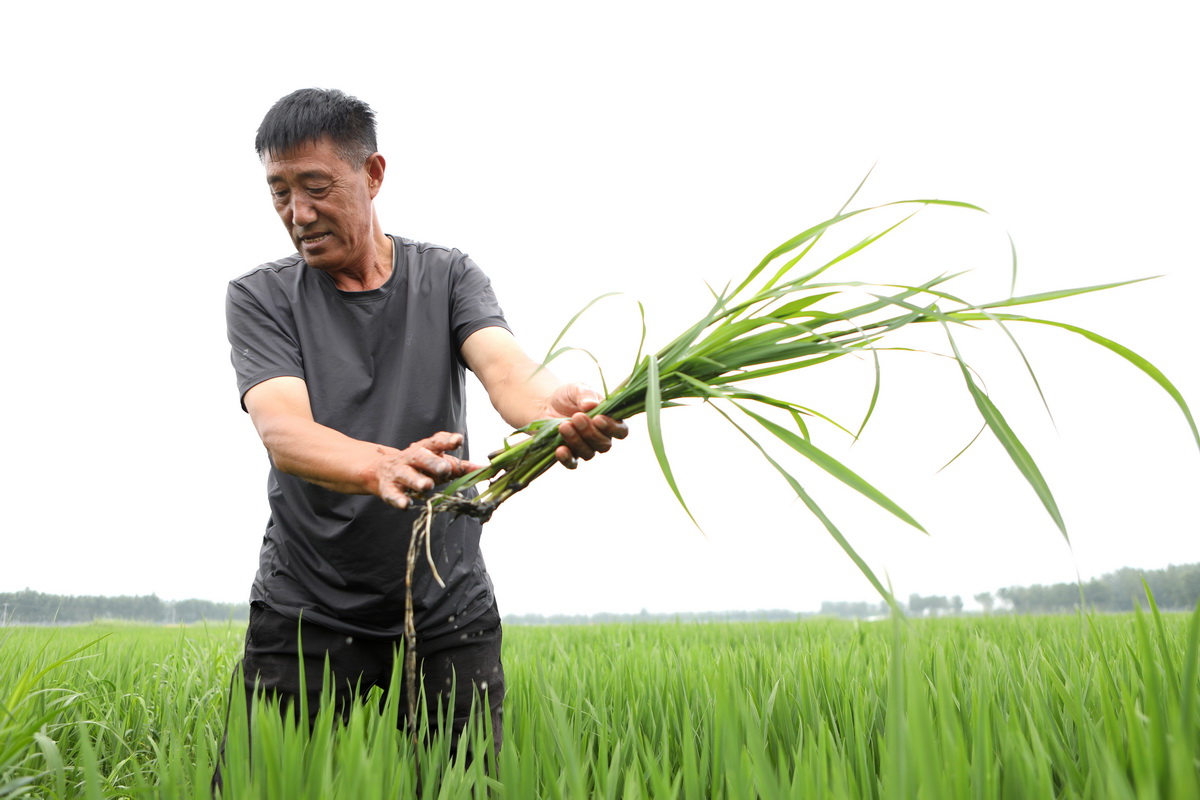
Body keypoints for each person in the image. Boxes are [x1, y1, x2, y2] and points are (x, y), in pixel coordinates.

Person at [217, 88, 625, 782]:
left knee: (462, 787)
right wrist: (378, 464)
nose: (298, 213)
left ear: (372, 175)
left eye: (316, 187)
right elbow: (283, 429)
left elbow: (510, 375)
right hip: (306, 608)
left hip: (445, 605)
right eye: (279, 191)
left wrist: (556, 411)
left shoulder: (447, 276)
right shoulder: (259, 296)